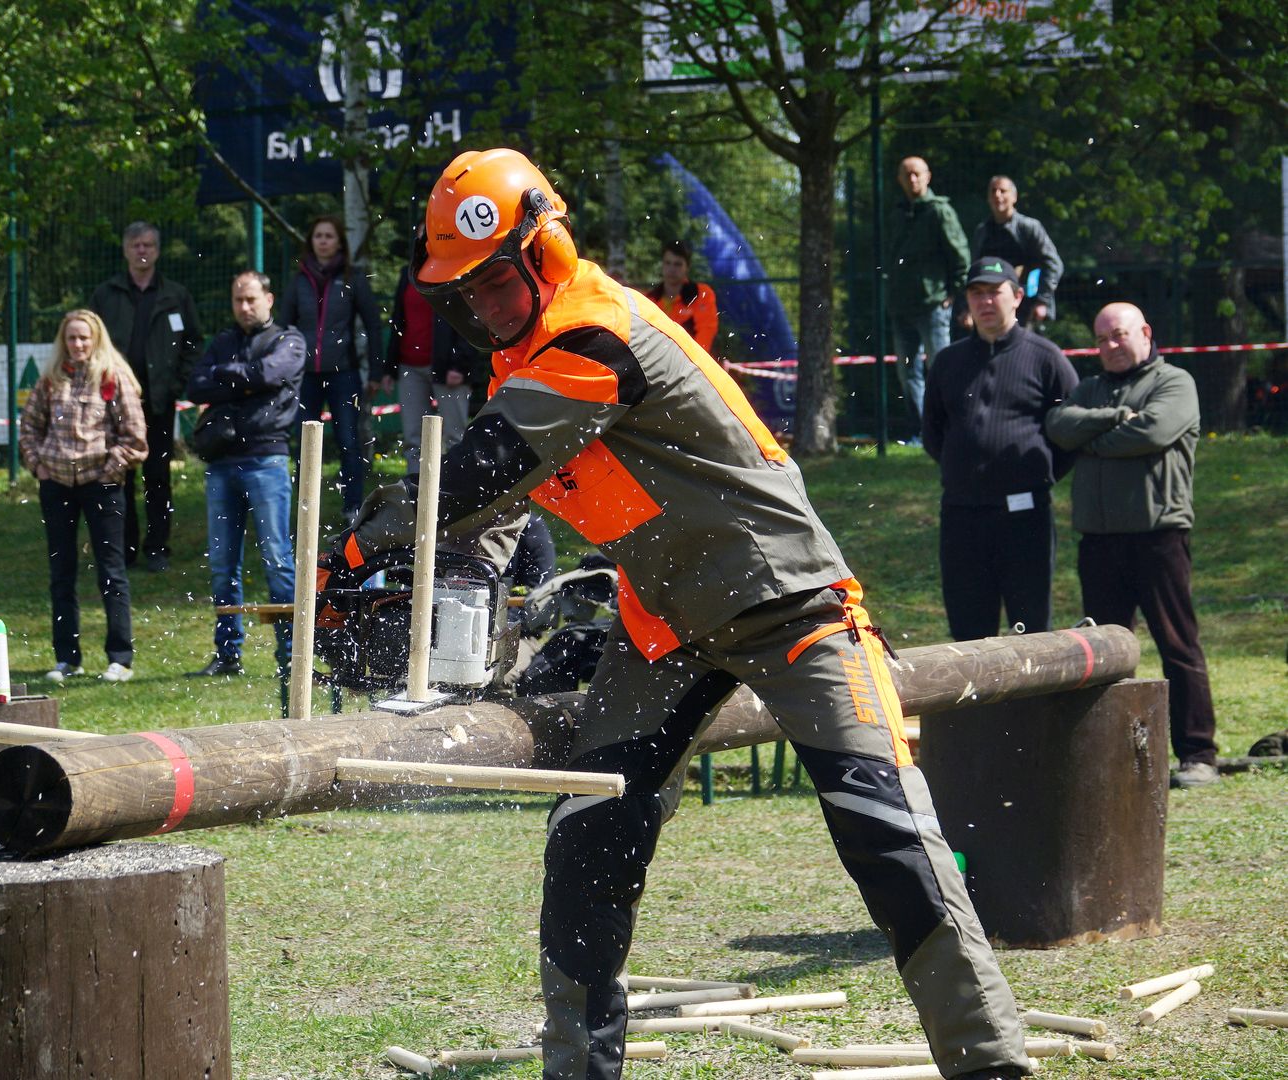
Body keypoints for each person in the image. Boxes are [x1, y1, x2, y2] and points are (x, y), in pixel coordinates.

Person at [329, 147, 1032, 1080]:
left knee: (887, 832)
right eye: (468, 296)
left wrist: (353, 552)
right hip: (662, 625)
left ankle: (991, 1064)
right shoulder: (529, 367)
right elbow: (492, 510)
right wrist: (423, 593)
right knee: (587, 840)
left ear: (544, 251)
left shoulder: (594, 335)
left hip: (790, 604)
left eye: (497, 282)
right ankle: (577, 1068)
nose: (487, 308)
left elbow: (480, 472)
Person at [1045, 302, 1219, 788]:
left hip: (1158, 536)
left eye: (1118, 335)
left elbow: (1154, 431)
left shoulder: (1175, 382)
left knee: (1177, 645)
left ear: (1145, 332)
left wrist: (1092, 435)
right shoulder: (1093, 388)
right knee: (1104, 655)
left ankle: (1198, 753)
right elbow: (1058, 426)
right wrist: (1118, 416)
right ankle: (1112, 751)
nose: (1109, 347)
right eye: (1100, 340)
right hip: (1099, 542)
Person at [923, 257, 1078, 642]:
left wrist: (1034, 475)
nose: (985, 301)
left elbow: (1073, 431)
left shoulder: (1046, 358)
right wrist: (969, 471)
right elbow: (933, 434)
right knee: (969, 634)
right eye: (976, 293)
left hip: (1025, 518)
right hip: (961, 516)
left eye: (995, 292)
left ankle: (1031, 707)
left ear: (1018, 296)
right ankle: (980, 707)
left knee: (1032, 633)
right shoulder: (947, 361)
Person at [183, 270, 304, 678]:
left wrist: (227, 377)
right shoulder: (222, 341)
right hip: (221, 463)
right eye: (238, 300)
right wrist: (243, 380)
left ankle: (290, 655)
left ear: (268, 299)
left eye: (251, 299)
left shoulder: (290, 340)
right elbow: (196, 386)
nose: (244, 306)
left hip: (266, 459)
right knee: (222, 563)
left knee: (277, 559)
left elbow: (270, 374)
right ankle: (227, 654)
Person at [18, 310, 147, 684]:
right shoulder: (49, 381)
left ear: (96, 340)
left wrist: (112, 468)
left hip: (102, 483)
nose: (77, 345)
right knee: (61, 571)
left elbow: (135, 436)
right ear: (63, 341)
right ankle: (66, 658)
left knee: (111, 570)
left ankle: (120, 657)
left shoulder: (113, 377)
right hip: (56, 482)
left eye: (84, 338)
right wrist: (37, 464)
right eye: (71, 338)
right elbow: (29, 426)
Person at [90, 221, 202, 573]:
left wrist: (174, 385)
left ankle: (158, 548)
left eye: (149, 245)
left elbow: (193, 344)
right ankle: (122, 549)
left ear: (157, 250)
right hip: (113, 405)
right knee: (116, 475)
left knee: (157, 477)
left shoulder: (176, 295)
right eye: (136, 245)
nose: (142, 251)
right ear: (125, 249)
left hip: (158, 404)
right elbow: (89, 342)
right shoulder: (106, 295)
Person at [278, 214, 383, 518]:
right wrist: (285, 367)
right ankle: (304, 504)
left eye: (329, 236)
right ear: (311, 242)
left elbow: (374, 325)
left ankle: (353, 507)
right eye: (318, 236)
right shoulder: (299, 280)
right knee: (304, 441)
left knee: (348, 440)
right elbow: (284, 325)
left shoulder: (353, 277)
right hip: (305, 376)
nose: (323, 241)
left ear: (339, 242)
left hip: (344, 374)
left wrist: (375, 372)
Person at [888, 156, 969, 438]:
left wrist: (952, 295)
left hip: (933, 305)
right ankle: (924, 431)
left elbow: (961, 256)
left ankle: (948, 428)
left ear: (928, 176)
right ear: (900, 179)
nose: (912, 180)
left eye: (917, 174)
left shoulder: (940, 211)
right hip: (901, 307)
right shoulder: (898, 213)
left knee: (941, 368)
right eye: (907, 175)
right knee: (907, 372)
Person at [387, 247, 481, 474]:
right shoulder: (407, 274)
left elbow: (470, 319)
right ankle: (415, 496)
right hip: (410, 365)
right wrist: (389, 368)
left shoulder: (457, 272)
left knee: (454, 436)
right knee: (413, 437)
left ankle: (456, 497)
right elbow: (398, 318)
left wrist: (460, 364)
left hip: (448, 367)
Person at [971, 176, 1064, 329]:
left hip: (1027, 307)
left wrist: (1043, 301)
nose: (997, 195)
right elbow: (974, 271)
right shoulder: (982, 231)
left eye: (1003, 191)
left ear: (1014, 197)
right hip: (991, 306)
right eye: (993, 191)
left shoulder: (1030, 227)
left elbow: (1054, 264)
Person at [642, 239, 718, 353]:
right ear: (662, 264)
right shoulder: (649, 299)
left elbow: (705, 335)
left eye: (677, 264)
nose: (672, 269)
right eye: (668, 263)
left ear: (687, 266)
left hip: (692, 363)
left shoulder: (701, 294)